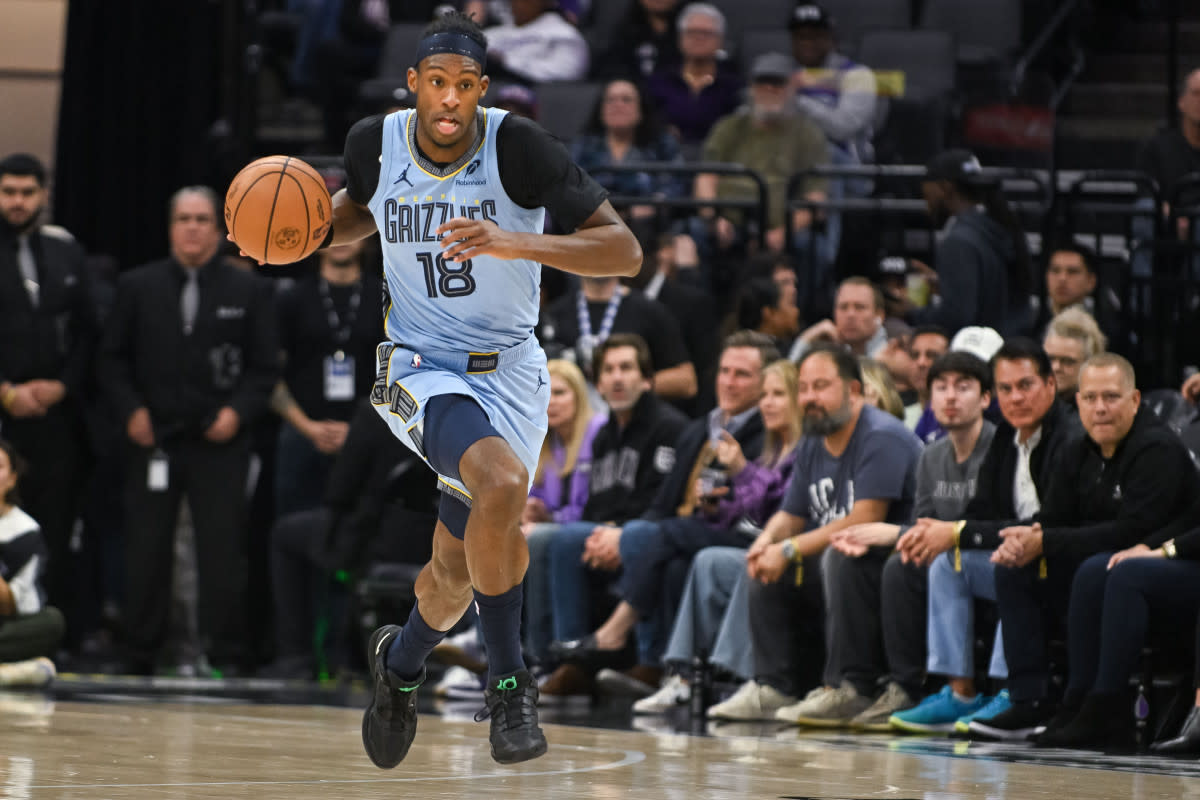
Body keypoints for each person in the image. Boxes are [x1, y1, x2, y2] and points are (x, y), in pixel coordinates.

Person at [298, 11, 642, 766]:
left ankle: (401, 664)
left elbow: (624, 251)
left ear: (481, 89)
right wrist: (296, 230)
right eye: (436, 83)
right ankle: (511, 687)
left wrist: (516, 240)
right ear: (413, 84)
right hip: (420, 365)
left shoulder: (518, 147)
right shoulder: (375, 144)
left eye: (463, 85)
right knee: (502, 485)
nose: (449, 98)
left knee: (453, 576)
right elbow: (356, 214)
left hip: (511, 370)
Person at [99, 186, 279, 676]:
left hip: (220, 440)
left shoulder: (249, 289)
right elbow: (111, 360)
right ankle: (141, 652)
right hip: (153, 438)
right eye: (184, 219)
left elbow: (265, 368)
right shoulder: (137, 286)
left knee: (222, 547)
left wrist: (238, 413)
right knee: (146, 546)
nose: (193, 228)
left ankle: (228, 653)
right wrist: (131, 411)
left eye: (202, 219)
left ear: (219, 230)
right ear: (170, 227)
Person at [981, 353, 1198, 743]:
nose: (1100, 408)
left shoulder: (1158, 449)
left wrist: (1047, 540)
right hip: (1118, 559)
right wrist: (1026, 540)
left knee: (1103, 568)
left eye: (1111, 397)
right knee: (1016, 567)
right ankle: (1031, 700)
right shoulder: (1077, 447)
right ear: (1078, 402)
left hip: (1173, 560)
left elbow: (1133, 531)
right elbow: (1055, 518)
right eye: (1091, 398)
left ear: (1135, 400)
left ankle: (1098, 704)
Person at [544, 331, 774, 693]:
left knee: (644, 537)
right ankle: (566, 660)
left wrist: (628, 532)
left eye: (742, 374)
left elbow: (757, 506)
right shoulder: (700, 428)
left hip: (736, 533)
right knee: (574, 540)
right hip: (685, 529)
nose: (729, 382)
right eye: (724, 371)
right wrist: (618, 533)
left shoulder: (767, 431)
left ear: (765, 382)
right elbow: (663, 504)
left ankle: (641, 656)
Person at [707, 344, 922, 722]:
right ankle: (774, 687)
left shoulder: (880, 435)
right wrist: (765, 543)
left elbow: (864, 518)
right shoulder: (812, 439)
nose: (809, 397)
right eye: (804, 388)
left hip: (896, 558)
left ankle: (851, 687)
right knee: (767, 561)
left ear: (853, 390)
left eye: (821, 386)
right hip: (842, 556)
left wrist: (788, 549)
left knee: (839, 555)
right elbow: (792, 515)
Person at [823, 351, 996, 731]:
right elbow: (923, 525)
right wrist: (893, 539)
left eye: (963, 387)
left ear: (986, 398)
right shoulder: (931, 456)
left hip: (985, 557)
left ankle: (930, 689)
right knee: (874, 563)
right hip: (942, 555)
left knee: (916, 565)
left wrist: (894, 534)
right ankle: (874, 686)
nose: (951, 397)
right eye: (941, 388)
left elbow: (992, 524)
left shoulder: (999, 449)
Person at [529, 335, 689, 693]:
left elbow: (662, 503)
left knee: (618, 537)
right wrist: (604, 531)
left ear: (646, 379)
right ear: (598, 384)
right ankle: (565, 657)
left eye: (626, 368)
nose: (617, 378)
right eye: (609, 370)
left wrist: (616, 530)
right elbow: (595, 506)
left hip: (654, 532)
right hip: (613, 531)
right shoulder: (605, 436)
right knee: (562, 540)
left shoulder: (669, 427)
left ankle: (647, 662)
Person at [266, 401, 440, 679]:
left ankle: (296, 657)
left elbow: (341, 488)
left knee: (286, 534)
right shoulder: (451, 412)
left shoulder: (379, 410)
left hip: (375, 538)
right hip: (439, 540)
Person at [0, 153, 99, 630]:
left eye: (27, 192)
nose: (18, 202)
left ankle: (49, 629)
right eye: (9, 192)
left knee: (56, 523)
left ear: (43, 195)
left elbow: (88, 331)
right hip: (5, 417)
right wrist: (5, 392)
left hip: (56, 416)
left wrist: (63, 386)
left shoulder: (64, 252)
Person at [272, 238, 385, 515]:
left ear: (366, 237)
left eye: (349, 231)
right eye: (331, 233)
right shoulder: (292, 298)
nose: (340, 240)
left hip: (369, 431)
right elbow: (269, 373)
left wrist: (359, 430)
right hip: (301, 430)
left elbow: (398, 372)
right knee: (294, 525)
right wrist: (308, 427)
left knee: (363, 528)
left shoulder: (384, 298)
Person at [694, 52, 830, 259]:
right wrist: (713, 218)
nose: (769, 89)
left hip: (784, 227)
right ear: (751, 87)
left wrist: (783, 233)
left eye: (777, 83)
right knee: (696, 232)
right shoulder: (729, 127)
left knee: (813, 248)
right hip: (730, 223)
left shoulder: (808, 134)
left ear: (792, 88)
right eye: (762, 82)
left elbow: (816, 198)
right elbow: (706, 178)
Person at [893, 150, 1035, 337]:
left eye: (926, 195)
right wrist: (946, 285)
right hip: (1009, 341)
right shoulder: (995, 226)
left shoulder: (959, 242)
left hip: (979, 348)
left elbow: (957, 318)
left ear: (945, 188)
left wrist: (911, 312)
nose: (927, 206)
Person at [544, 274, 698, 401]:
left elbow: (687, 381)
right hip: (571, 421)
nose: (597, 254)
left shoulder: (650, 312)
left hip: (632, 422)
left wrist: (634, 383)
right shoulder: (552, 316)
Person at [569, 78, 685, 230]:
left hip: (648, 225)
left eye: (626, 100)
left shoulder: (661, 144)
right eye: (610, 100)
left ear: (641, 110)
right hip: (592, 225)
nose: (618, 105)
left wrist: (652, 205)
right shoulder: (584, 145)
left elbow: (676, 184)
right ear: (601, 111)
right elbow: (569, 187)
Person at [786, 3, 879, 193]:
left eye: (814, 36)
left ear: (831, 39)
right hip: (792, 166)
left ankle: (821, 213)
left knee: (820, 151)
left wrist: (794, 101)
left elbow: (842, 128)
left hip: (850, 172)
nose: (806, 43)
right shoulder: (783, 75)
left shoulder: (857, 75)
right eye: (800, 37)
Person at [0, 439, 65, 687]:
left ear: (12, 478)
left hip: (7, 622)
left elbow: (8, 605)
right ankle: (12, 672)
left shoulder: (25, 531)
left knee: (52, 622)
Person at [645, 3, 744, 151]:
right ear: (680, 39)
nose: (699, 37)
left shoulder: (734, 87)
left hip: (720, 156)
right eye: (691, 32)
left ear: (720, 41)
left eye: (706, 33)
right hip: (666, 156)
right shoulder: (658, 82)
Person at [523, 359, 606, 532]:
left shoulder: (600, 431)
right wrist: (532, 507)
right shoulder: (545, 440)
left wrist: (553, 518)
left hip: (594, 527)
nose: (551, 401)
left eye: (559, 393)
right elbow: (535, 494)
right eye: (545, 393)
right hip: (558, 528)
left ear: (579, 396)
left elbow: (595, 506)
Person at [483, 0, 589, 85]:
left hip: (540, 97)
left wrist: (506, 62)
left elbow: (568, 72)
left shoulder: (563, 33)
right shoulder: (492, 34)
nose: (518, 4)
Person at [790, 277, 889, 361]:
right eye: (843, 307)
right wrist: (806, 339)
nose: (850, 315)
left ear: (879, 315)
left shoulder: (892, 358)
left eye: (859, 307)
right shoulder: (831, 354)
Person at [1043, 307, 1106, 405]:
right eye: (1050, 359)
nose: (1056, 367)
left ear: (1090, 365)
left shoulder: (1100, 409)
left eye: (1067, 361)